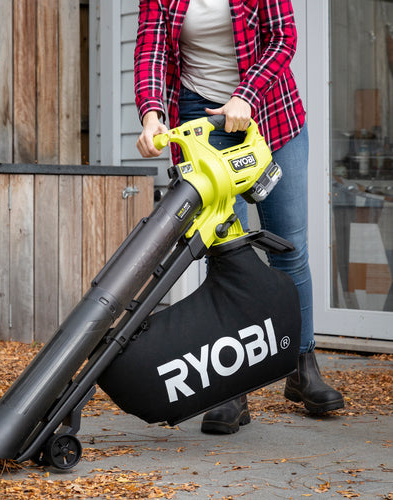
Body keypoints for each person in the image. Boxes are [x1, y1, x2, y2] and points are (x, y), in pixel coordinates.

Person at [134, 0, 344, 434]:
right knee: (225, 252)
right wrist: (152, 114)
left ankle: (301, 365)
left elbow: (283, 37)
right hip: (201, 119)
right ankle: (233, 387)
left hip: (269, 113)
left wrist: (245, 94)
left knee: (289, 247)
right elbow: (151, 47)